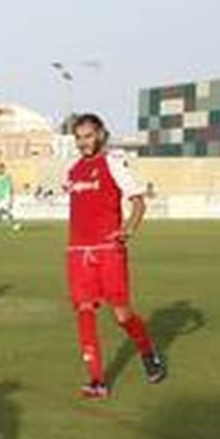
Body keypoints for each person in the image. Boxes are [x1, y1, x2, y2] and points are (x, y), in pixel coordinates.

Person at [64, 114, 165, 398]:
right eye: (79, 137)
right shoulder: (71, 171)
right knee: (84, 311)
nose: (84, 142)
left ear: (100, 135)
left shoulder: (112, 164)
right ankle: (97, 380)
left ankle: (147, 351)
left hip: (108, 251)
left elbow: (138, 204)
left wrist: (128, 230)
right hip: (77, 252)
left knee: (121, 314)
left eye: (88, 136)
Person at [0, 161, 19, 231]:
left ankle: (13, 223)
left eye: (1, 168)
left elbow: (10, 186)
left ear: (3, 169)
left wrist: (11, 197)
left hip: (6, 196)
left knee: (1, 210)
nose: (0, 170)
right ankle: (11, 223)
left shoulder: (6, 176)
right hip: (2, 196)